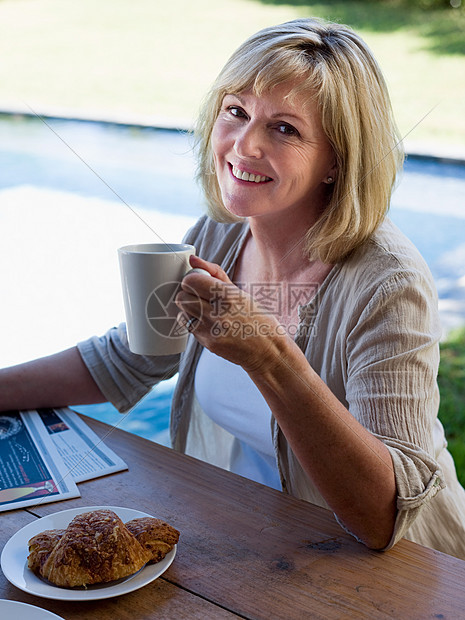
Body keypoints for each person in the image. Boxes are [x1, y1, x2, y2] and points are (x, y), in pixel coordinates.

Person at [2, 17, 465, 558]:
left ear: (336, 160)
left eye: (285, 128)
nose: (244, 147)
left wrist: (270, 355)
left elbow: (385, 516)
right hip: (261, 534)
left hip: (400, 569)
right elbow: (131, 357)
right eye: (236, 112)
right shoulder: (218, 234)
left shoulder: (389, 283)